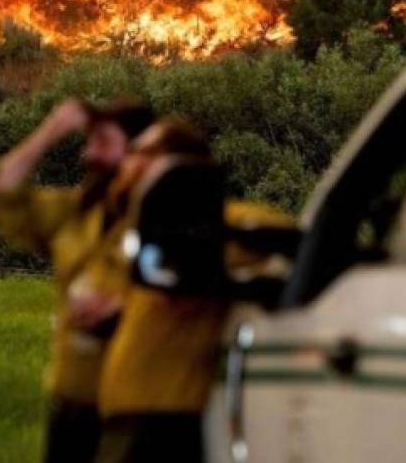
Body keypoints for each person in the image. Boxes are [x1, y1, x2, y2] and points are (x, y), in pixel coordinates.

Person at [93, 119, 293, 463]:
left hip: (163, 417)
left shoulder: (223, 220)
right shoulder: (143, 231)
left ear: (176, 163)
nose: (129, 159)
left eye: (143, 151)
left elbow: (299, 242)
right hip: (126, 413)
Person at [0, 98, 154, 463]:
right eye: (87, 143)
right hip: (72, 404)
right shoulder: (75, 212)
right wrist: (52, 130)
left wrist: (122, 309)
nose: (88, 154)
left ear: (137, 152)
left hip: (135, 410)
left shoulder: (164, 217)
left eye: (102, 142)